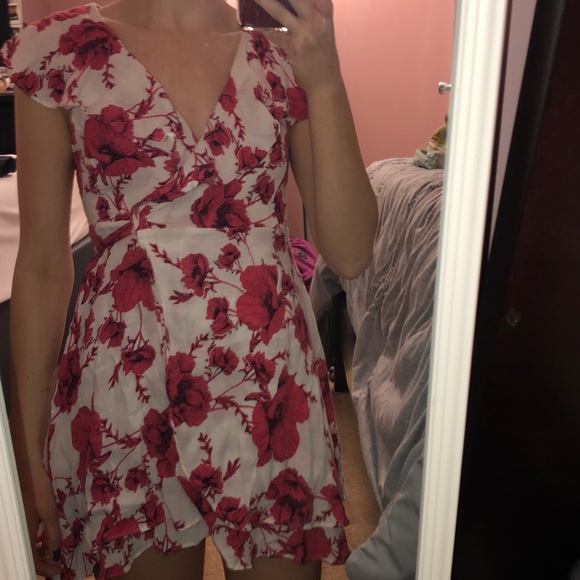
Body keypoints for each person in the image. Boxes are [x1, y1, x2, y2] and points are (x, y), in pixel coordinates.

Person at [0, 0, 378, 578]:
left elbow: (350, 252)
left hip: (270, 387)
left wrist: (326, 79)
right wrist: (29, 462)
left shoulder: (282, 52)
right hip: (128, 390)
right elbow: (43, 265)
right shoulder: (61, 49)